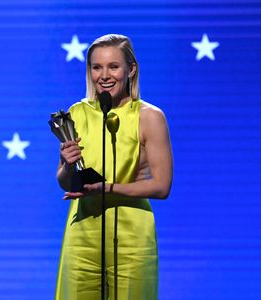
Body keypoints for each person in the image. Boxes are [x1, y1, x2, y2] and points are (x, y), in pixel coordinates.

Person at [55, 34, 173, 300]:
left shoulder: (150, 117)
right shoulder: (77, 113)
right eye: (97, 67)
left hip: (131, 238)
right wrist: (66, 164)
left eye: (113, 67)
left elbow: (161, 186)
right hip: (82, 233)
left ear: (131, 69)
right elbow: (65, 181)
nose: (104, 75)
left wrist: (106, 188)